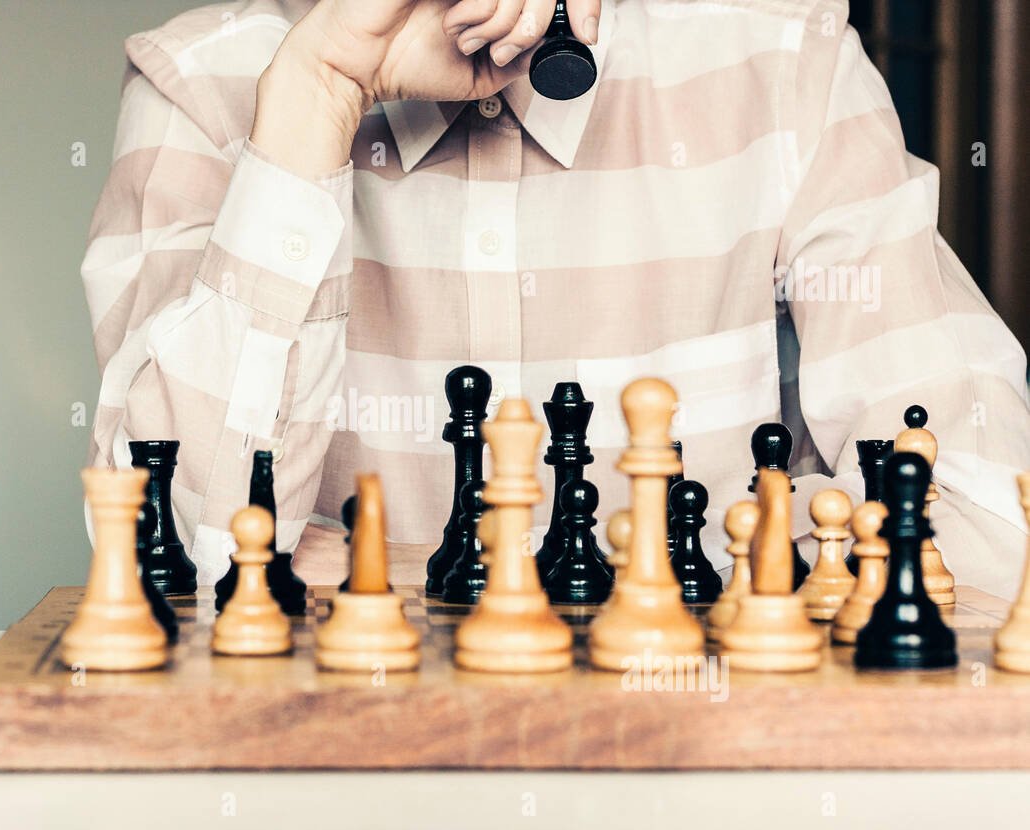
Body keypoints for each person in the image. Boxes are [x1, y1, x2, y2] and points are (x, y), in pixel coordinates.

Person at [81, 0, 1030, 596]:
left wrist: (627, 564)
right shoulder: (204, 84)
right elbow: (175, 567)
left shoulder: (789, 65)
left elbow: (990, 527)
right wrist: (319, 97)